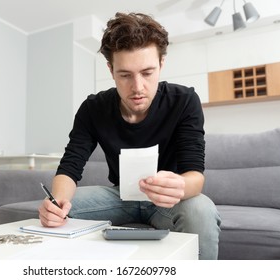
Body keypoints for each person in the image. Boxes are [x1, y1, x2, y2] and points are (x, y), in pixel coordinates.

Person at [39, 12, 221, 259]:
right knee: (59, 211)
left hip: (169, 201)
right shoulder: (93, 108)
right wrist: (57, 203)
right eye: (125, 75)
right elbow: (70, 167)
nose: (137, 87)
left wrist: (179, 186)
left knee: (201, 210)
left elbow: (195, 176)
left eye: (147, 73)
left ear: (161, 65)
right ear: (111, 70)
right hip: (119, 196)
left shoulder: (184, 101)